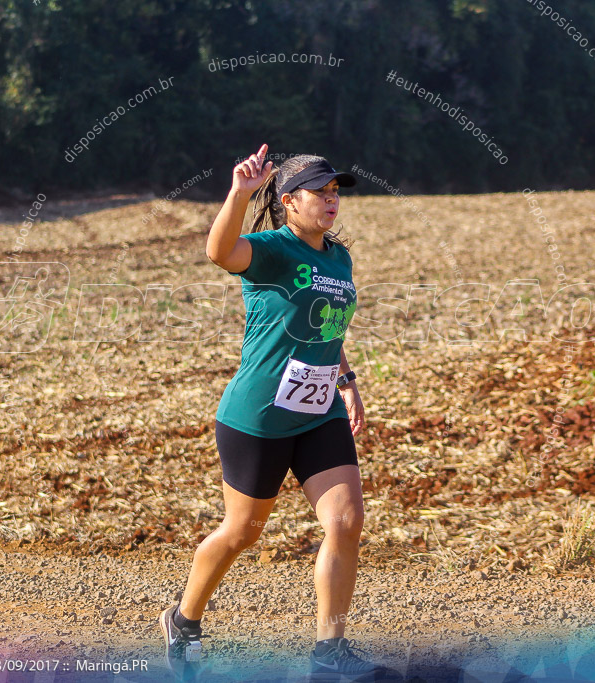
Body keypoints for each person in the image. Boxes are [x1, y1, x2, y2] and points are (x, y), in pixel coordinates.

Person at [159, 144, 400, 681]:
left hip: (318, 415)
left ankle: (329, 649)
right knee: (242, 532)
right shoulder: (269, 250)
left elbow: (329, 326)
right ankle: (184, 618)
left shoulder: (338, 258)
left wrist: (347, 380)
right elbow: (219, 253)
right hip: (259, 417)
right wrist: (239, 194)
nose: (332, 200)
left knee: (346, 519)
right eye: (321, 191)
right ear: (289, 201)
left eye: (336, 191)